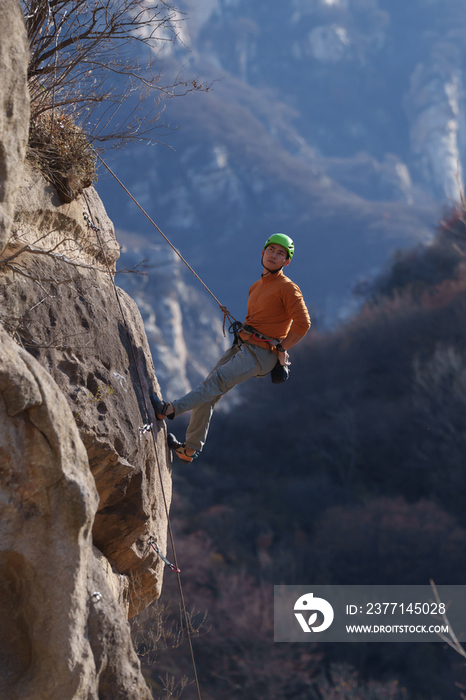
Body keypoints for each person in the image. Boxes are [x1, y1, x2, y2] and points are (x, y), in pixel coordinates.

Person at [151, 233, 311, 463]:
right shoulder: (257, 286)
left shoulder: (288, 288)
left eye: (280, 254)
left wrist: (283, 347)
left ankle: (168, 410)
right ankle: (188, 451)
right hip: (244, 346)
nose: (274, 255)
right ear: (263, 252)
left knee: (213, 383)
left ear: (287, 262)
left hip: (262, 354)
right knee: (209, 392)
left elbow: (304, 324)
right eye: (271, 250)